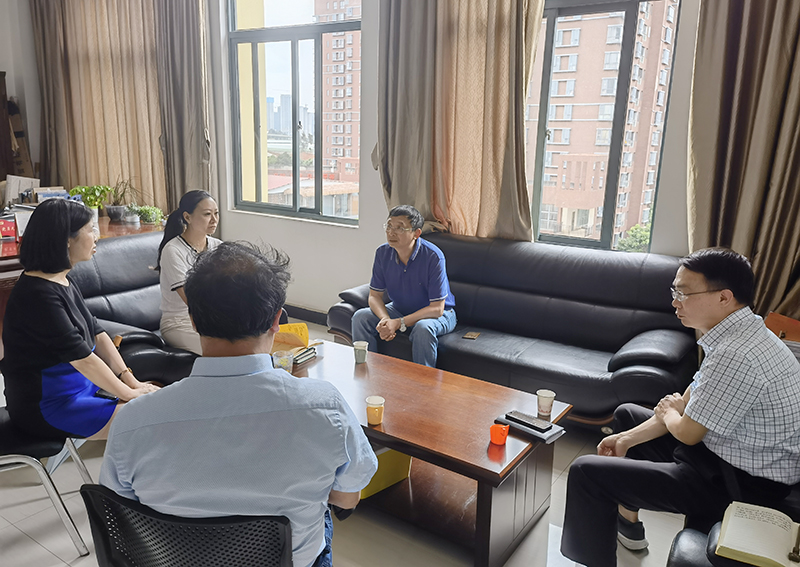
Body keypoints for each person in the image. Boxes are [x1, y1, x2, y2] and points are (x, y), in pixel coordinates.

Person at [100, 241, 378, 567]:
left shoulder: (133, 420)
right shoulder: (326, 407)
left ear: (192, 319)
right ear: (276, 320)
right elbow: (347, 498)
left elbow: (120, 514)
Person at [560, 248, 800, 567]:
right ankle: (628, 524)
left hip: (740, 484)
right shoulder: (743, 333)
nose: (675, 302)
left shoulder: (736, 355)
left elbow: (687, 431)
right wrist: (626, 438)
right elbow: (687, 401)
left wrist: (671, 413)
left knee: (586, 473)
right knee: (627, 415)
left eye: (684, 293)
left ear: (724, 297)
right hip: (726, 456)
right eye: (675, 291)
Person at [1, 199, 159, 441]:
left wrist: (131, 381)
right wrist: (128, 394)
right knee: (152, 417)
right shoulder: (37, 295)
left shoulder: (62, 279)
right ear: (67, 239)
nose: (96, 236)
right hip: (48, 406)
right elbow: (83, 360)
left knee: (157, 402)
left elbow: (98, 333)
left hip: (82, 389)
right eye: (90, 229)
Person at [352, 205, 456, 367]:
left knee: (423, 328)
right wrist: (386, 320)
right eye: (389, 226)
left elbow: (437, 308)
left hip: (439, 314)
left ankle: (423, 380)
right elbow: (374, 296)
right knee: (360, 317)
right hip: (399, 309)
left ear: (416, 233)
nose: (391, 232)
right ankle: (367, 372)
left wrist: (399, 323)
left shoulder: (433, 257)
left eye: (400, 228)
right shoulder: (382, 253)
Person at [156, 190, 221, 355]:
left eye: (216, 213)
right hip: (179, 323)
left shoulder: (218, 246)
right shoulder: (173, 250)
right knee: (225, 349)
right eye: (207, 214)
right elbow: (191, 300)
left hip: (214, 320)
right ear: (187, 217)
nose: (214, 220)